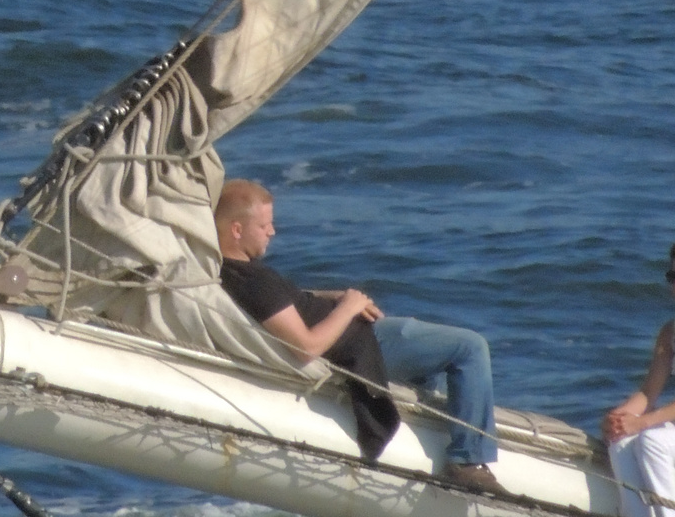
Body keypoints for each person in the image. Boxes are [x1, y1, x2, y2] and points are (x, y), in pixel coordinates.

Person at [214, 180, 501, 489]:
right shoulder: (255, 282)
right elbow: (306, 347)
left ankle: (433, 424)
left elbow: (281, 302)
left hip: (361, 336)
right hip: (364, 347)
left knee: (429, 353)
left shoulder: (231, 271)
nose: (273, 232)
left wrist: (329, 297)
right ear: (236, 230)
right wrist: (348, 307)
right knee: (470, 347)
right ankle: (468, 461)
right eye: (264, 225)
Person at [604, 244, 675, 517]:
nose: (673, 287)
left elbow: (649, 418)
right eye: (671, 277)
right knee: (620, 441)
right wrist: (620, 418)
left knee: (653, 441)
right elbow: (648, 392)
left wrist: (643, 422)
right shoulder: (670, 332)